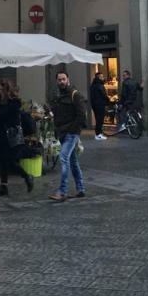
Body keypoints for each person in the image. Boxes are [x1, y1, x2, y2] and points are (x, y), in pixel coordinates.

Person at [49, 71, 87, 202]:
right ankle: (81, 189)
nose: (61, 82)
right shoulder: (59, 96)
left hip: (71, 133)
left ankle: (63, 191)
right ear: (57, 81)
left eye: (63, 79)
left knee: (63, 158)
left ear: (68, 79)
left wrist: (73, 130)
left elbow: (81, 115)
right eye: (59, 80)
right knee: (73, 161)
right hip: (62, 132)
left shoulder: (75, 95)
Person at [0, 88, 33, 197]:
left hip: (12, 137)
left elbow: (2, 115)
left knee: (9, 161)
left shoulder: (14, 104)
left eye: (1, 90)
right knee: (3, 161)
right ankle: (3, 186)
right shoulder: (3, 104)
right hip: (2, 136)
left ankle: (26, 176)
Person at [89, 70, 108, 141]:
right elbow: (104, 95)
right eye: (102, 77)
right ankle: (98, 135)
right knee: (100, 120)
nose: (103, 78)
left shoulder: (93, 85)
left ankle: (99, 134)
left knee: (98, 119)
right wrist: (108, 100)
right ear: (99, 77)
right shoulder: (99, 85)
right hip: (100, 105)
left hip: (95, 105)